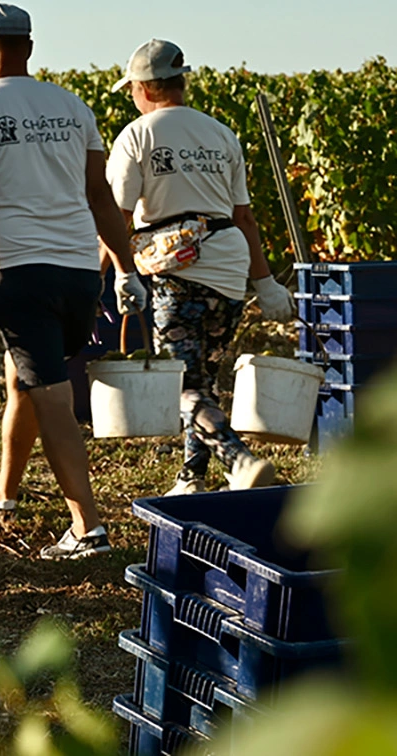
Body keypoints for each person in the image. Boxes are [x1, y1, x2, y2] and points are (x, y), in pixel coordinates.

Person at [0, 3, 146, 560]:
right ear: (27, 47)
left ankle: (87, 527)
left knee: (49, 392)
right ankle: (2, 492)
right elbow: (101, 195)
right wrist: (124, 269)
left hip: (19, 271)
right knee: (27, 373)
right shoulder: (72, 106)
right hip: (80, 274)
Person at [103, 38, 293, 494]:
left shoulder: (138, 135)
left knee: (179, 383)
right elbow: (243, 216)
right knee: (200, 379)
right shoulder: (219, 133)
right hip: (228, 269)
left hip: (175, 271)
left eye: (132, 88)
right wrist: (264, 283)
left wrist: (114, 274)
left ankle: (238, 458)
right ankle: (192, 476)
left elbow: (117, 216)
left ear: (145, 88)